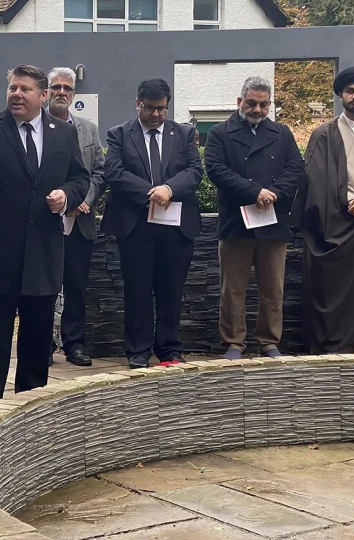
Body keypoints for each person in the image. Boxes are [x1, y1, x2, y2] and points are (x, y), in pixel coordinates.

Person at [0, 64, 90, 410]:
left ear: (43, 96)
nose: (16, 94)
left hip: (44, 249)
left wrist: (66, 196)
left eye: (25, 89)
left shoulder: (62, 134)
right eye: (12, 88)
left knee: (37, 334)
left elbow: (80, 178)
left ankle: (30, 404)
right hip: (0, 248)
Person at [101, 78, 203, 369]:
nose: (156, 115)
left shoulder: (184, 134)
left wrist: (169, 189)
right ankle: (138, 350)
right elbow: (114, 172)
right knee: (138, 290)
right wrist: (151, 192)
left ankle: (169, 349)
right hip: (136, 226)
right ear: (138, 104)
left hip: (176, 226)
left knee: (172, 290)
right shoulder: (119, 134)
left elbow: (195, 171)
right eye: (150, 108)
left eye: (162, 109)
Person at [205, 76, 304, 359]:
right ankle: (233, 343)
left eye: (263, 104)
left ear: (270, 105)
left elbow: (296, 168)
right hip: (236, 221)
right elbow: (216, 170)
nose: (257, 109)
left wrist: (273, 192)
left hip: (272, 220)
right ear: (240, 102)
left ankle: (270, 342)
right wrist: (254, 191)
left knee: (273, 288)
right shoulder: (220, 132)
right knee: (232, 289)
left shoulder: (282, 133)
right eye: (252, 103)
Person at [297, 66, 354, 353]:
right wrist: (344, 207)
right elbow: (315, 181)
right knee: (330, 286)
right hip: (334, 224)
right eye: (350, 91)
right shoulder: (323, 134)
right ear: (340, 94)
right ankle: (333, 345)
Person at [45, 67, 106, 368]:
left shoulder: (88, 130)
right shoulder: (36, 126)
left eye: (67, 88)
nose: (61, 92)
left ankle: (74, 345)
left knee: (76, 286)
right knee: (43, 286)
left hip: (79, 222)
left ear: (73, 94)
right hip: (45, 221)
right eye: (56, 87)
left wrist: (84, 200)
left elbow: (99, 171)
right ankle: (42, 345)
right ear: (47, 91)